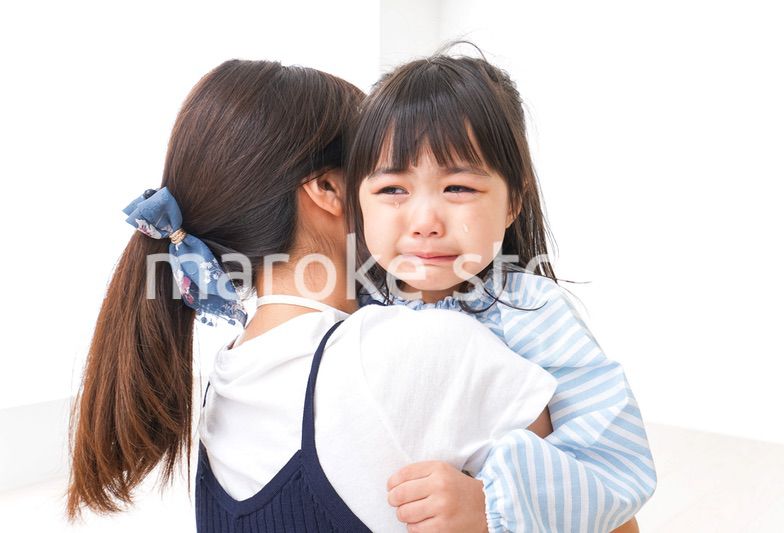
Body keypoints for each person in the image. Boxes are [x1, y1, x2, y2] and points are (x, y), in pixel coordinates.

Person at [65, 59, 562, 532]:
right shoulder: (421, 347)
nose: (419, 214)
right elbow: (606, 519)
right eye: (388, 177)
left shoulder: (230, 378)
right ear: (329, 187)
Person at [345, 51, 656, 532]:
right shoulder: (349, 307)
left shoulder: (531, 310)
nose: (425, 222)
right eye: (392, 190)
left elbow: (615, 464)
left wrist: (489, 505)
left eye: (458, 188)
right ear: (356, 200)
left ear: (514, 201)